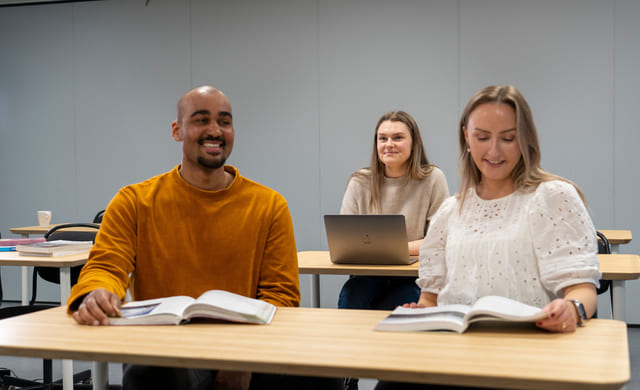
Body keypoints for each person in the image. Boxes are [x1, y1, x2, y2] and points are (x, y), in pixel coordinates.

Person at [67, 85, 341, 390]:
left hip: (246, 341)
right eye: (201, 120)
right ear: (176, 130)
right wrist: (98, 292)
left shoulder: (269, 205)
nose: (215, 130)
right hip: (165, 347)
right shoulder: (134, 200)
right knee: (154, 372)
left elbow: (281, 297)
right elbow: (106, 266)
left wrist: (242, 359)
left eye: (224, 122)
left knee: (322, 374)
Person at [375, 85, 601, 390]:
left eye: (508, 138)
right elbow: (430, 299)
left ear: (525, 140)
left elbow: (582, 290)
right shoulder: (449, 211)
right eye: (482, 138)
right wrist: (420, 311)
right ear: (466, 137)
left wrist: (572, 309)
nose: (494, 151)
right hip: (454, 356)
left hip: (526, 357)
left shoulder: (551, 197)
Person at [337, 111, 449, 390]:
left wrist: (386, 246)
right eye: (382, 138)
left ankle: (390, 380)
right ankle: (347, 377)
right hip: (366, 276)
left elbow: (440, 239)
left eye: (398, 137)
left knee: (399, 314)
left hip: (413, 278)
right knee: (351, 299)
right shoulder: (359, 181)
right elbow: (343, 239)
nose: (389, 144)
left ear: (414, 143)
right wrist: (405, 245)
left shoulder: (432, 178)